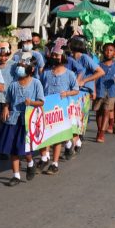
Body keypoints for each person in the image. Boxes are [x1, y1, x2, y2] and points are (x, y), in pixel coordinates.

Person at [0, 54, 45, 186]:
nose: (20, 68)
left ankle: (30, 163)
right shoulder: (13, 84)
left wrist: (32, 103)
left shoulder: (36, 83)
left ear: (31, 69)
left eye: (23, 66)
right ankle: (16, 175)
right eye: (19, 65)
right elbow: (8, 100)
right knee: (13, 148)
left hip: (28, 121)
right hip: (13, 120)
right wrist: (5, 108)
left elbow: (41, 101)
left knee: (24, 148)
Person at [38, 41, 80, 175]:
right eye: (54, 55)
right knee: (44, 135)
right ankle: (44, 157)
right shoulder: (46, 73)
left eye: (58, 55)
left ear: (64, 57)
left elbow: (76, 90)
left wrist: (67, 93)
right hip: (46, 109)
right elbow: (40, 88)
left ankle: (54, 163)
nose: (55, 57)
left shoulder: (70, 74)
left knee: (57, 137)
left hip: (61, 111)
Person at [65, 36, 104, 156]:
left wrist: (84, 81)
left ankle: (74, 142)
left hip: (83, 91)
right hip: (71, 91)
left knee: (78, 117)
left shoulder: (85, 58)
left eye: (69, 43)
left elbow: (100, 72)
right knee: (70, 117)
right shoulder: (69, 58)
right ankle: (75, 142)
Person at [95, 42, 115, 143]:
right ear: (103, 52)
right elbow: (94, 78)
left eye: (111, 50)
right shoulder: (98, 65)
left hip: (111, 92)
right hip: (99, 91)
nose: (108, 52)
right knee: (98, 113)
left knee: (106, 112)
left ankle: (102, 133)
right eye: (106, 50)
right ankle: (99, 129)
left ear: (114, 53)